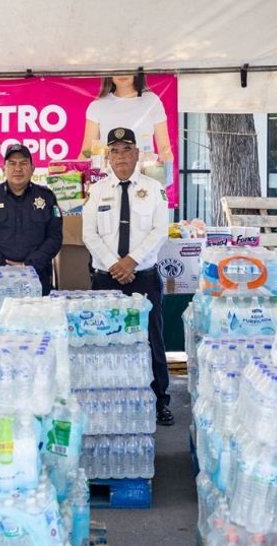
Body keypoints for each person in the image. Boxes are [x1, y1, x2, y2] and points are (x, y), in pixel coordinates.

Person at [82, 127, 173, 426]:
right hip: (106, 279)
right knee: (105, 341)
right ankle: (106, 400)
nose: (121, 157)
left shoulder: (154, 189)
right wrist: (114, 265)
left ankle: (160, 401)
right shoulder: (97, 191)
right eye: (115, 151)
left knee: (151, 340)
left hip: (143, 276)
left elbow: (159, 231)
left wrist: (131, 262)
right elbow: (89, 235)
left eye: (126, 150)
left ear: (137, 154)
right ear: (108, 156)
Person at [0, 143, 63, 294]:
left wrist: (30, 264)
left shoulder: (46, 197)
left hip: (37, 276)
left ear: (32, 169)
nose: (18, 168)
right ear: (3, 169)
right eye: (12, 163)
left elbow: (55, 236)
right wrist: (1, 265)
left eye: (23, 163)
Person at [81, 76, 174, 168]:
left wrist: (165, 179)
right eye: (117, 69)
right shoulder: (97, 106)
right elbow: (87, 152)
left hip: (144, 177)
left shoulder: (152, 101)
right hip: (109, 177)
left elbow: (164, 149)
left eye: (127, 68)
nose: (123, 74)